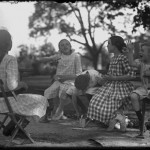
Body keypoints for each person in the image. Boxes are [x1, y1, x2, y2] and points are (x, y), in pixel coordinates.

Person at [0, 28, 48, 138]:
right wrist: (22, 84)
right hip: (4, 101)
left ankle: (11, 127)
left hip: (3, 99)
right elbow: (11, 86)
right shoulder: (9, 59)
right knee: (41, 100)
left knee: (22, 99)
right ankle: (15, 128)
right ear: (8, 44)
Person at [87, 36, 136, 130]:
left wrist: (114, 78)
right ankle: (116, 120)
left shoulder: (123, 58)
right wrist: (104, 78)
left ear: (115, 45)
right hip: (110, 85)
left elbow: (132, 75)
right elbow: (110, 74)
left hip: (121, 87)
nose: (107, 45)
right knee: (95, 101)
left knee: (109, 105)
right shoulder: (113, 58)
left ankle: (118, 120)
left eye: (109, 43)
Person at [38, 39, 82, 122]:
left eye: (67, 44)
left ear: (70, 46)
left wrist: (65, 78)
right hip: (59, 81)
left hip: (71, 81)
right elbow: (48, 58)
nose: (65, 46)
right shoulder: (59, 56)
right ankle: (45, 115)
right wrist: (40, 59)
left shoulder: (76, 56)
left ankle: (58, 112)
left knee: (63, 90)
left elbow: (79, 74)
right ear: (59, 48)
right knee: (48, 92)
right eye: (62, 45)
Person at [126, 41, 150, 135]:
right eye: (140, 50)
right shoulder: (141, 63)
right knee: (133, 96)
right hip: (144, 88)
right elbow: (131, 63)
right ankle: (141, 120)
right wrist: (130, 50)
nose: (140, 52)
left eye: (143, 50)